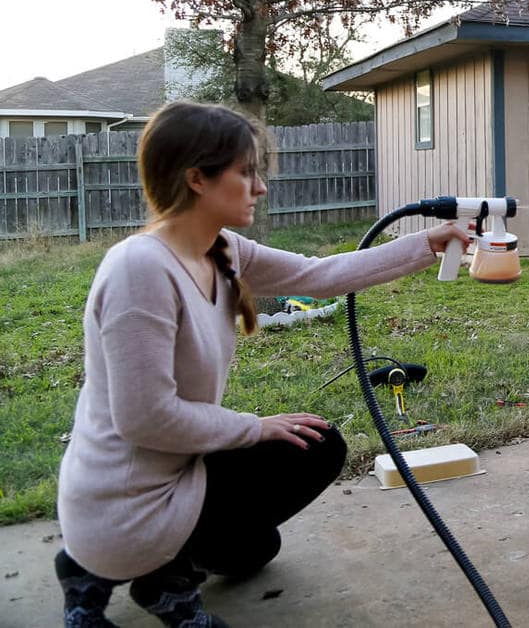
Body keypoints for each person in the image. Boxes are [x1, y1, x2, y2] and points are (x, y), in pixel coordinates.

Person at [53, 102, 469, 627]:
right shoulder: (140, 269)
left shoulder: (220, 248)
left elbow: (321, 275)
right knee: (295, 453)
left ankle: (156, 567)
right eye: (246, 173)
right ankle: (140, 577)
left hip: (181, 469)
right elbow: (144, 418)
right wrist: (252, 429)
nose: (261, 187)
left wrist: (426, 243)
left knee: (265, 532)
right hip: (124, 500)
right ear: (196, 179)